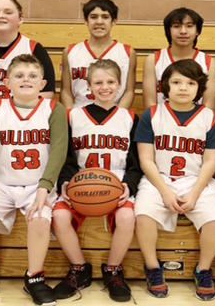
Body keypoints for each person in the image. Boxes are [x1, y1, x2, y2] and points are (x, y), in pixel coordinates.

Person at [0, 54, 67, 306]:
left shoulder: (54, 109)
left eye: (32, 76)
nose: (26, 80)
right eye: (19, 75)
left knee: (40, 219)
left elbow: (59, 150)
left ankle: (34, 277)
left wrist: (44, 188)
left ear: (43, 83)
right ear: (7, 82)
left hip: (37, 184)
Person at [134, 59, 215, 301]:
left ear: (200, 88)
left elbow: (210, 162)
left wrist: (195, 193)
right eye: (176, 82)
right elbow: (146, 160)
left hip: (197, 180)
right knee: (143, 216)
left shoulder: (210, 117)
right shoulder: (151, 115)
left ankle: (203, 269)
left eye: (190, 83)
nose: (183, 88)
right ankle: (153, 268)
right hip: (159, 179)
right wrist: (164, 191)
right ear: (165, 86)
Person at [52, 59, 141, 302]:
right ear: (89, 86)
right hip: (80, 187)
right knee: (59, 215)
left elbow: (137, 161)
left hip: (116, 187)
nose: (105, 87)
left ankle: (113, 270)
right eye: (98, 82)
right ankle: (79, 269)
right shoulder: (73, 116)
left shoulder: (130, 117)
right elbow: (65, 156)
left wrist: (128, 185)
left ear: (120, 85)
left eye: (111, 82)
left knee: (127, 216)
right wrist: (66, 181)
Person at [59, 0, 136, 109]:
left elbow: (129, 91)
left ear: (114, 21)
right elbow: (66, 91)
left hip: (113, 113)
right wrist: (71, 117)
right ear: (86, 20)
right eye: (93, 17)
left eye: (105, 17)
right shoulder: (70, 52)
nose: (99, 22)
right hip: (79, 113)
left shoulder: (127, 52)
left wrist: (119, 116)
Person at [142, 7, 215, 109]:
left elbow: (208, 105)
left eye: (189, 26)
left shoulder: (208, 62)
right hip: (160, 122)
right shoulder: (153, 60)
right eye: (176, 26)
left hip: (197, 122)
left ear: (197, 31)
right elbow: (150, 104)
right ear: (168, 31)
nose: (183, 31)